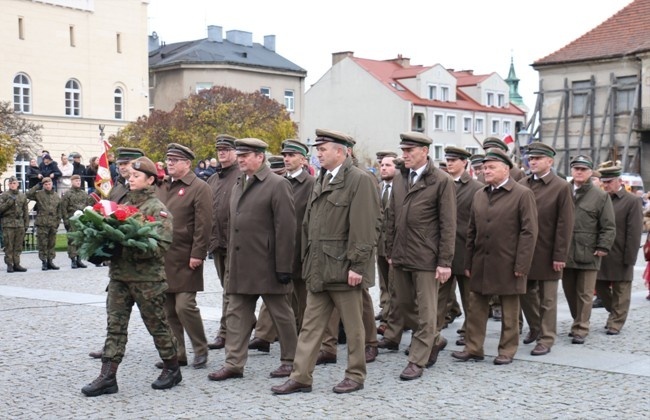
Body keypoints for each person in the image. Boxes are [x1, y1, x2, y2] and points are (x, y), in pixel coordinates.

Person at [272, 128, 380, 395]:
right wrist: (308, 261)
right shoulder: (321, 178)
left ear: (341, 152)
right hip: (320, 268)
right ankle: (301, 377)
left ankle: (355, 375)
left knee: (354, 328)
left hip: (344, 268)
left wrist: (357, 265)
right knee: (310, 327)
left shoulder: (359, 180)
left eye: (323, 149)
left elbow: (364, 228)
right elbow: (311, 225)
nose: (318, 153)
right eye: (317, 149)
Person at [81, 157, 180, 397]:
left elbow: (160, 247)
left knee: (156, 325)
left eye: (136, 176)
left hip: (147, 280)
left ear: (150, 179)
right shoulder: (120, 203)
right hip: (119, 277)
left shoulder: (158, 210)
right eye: (130, 176)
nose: (130, 179)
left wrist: (127, 242)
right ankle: (108, 376)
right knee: (115, 327)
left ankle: (172, 367)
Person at [207, 137, 298, 381]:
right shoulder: (239, 182)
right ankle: (234, 363)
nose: (240, 159)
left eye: (245, 155)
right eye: (239, 155)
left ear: (260, 157)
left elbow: (286, 229)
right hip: (240, 265)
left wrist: (284, 267)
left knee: (281, 314)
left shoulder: (277, 184)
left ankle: (291, 360)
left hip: (267, 265)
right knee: (236, 314)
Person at [378, 131, 456, 380]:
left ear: (425, 152)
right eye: (403, 151)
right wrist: (390, 250)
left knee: (425, 310)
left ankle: (417, 359)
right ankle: (434, 338)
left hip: (426, 256)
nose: (405, 155)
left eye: (409, 151)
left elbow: (448, 224)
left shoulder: (441, 181)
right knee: (403, 304)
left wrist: (444, 262)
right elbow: (391, 217)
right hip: (400, 254)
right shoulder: (401, 178)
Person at [452, 148, 538, 365]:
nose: (485, 171)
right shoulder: (480, 194)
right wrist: (469, 261)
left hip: (508, 262)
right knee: (476, 306)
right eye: (483, 168)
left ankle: (507, 350)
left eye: (491, 167)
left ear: (505, 169)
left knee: (509, 309)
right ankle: (473, 347)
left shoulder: (522, 194)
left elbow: (529, 232)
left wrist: (522, 264)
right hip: (481, 261)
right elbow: (472, 230)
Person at [248, 139, 315, 353]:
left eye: (292, 155)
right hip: (281, 249)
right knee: (275, 294)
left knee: (304, 300)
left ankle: (306, 341)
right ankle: (264, 336)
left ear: (303, 160)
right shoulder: (279, 182)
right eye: (285, 155)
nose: (287, 159)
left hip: (302, 248)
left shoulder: (311, 184)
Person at [157, 143, 212, 369]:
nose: (169, 163)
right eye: (168, 159)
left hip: (187, 256)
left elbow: (204, 224)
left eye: (175, 160)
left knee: (184, 306)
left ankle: (200, 349)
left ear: (187, 164)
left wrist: (198, 253)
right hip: (164, 256)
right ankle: (177, 353)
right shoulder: (163, 186)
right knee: (168, 309)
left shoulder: (199, 187)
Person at [87, 147, 145, 359]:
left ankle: (171, 351)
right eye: (120, 164)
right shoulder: (116, 188)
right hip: (119, 256)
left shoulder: (147, 187)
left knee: (155, 311)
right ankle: (111, 347)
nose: (122, 168)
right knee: (115, 307)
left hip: (141, 258)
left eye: (126, 164)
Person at [517, 143, 574, 356]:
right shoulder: (522, 184)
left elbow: (565, 223)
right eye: (531, 159)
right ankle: (535, 327)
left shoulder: (561, 186)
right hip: (525, 250)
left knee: (548, 299)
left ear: (550, 161)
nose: (532, 162)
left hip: (548, 251)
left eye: (538, 158)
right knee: (525, 293)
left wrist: (560, 254)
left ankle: (546, 338)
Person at [562, 155, 616, 344]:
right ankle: (578, 320)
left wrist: (603, 246)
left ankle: (581, 328)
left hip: (589, 251)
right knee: (569, 291)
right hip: (566, 251)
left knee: (585, 293)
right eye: (576, 168)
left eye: (583, 169)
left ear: (590, 172)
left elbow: (609, 225)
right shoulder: (563, 191)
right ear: (571, 171)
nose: (579, 172)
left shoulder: (600, 196)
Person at [442, 146, 483, 346]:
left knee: (470, 299)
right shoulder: (442, 184)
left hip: (465, 250)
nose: (450, 163)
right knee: (439, 298)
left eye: (454, 160)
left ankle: (471, 334)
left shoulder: (476, 188)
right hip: (444, 251)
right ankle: (430, 336)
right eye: (448, 160)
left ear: (464, 162)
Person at [595, 165, 643, 335]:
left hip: (621, 252)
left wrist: (630, 257)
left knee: (621, 290)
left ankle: (616, 322)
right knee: (599, 286)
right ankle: (614, 311)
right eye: (604, 182)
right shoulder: (600, 198)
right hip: (601, 252)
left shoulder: (631, 201)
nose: (606, 185)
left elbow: (635, 231)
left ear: (619, 181)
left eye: (609, 182)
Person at [206, 134, 241, 351]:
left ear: (235, 152)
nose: (222, 153)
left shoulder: (241, 176)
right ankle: (242, 323)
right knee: (225, 287)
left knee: (230, 289)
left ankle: (226, 332)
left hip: (236, 243)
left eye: (226, 149)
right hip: (217, 242)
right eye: (219, 149)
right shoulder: (213, 179)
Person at [376, 155, 397, 335]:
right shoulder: (380, 187)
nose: (383, 168)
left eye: (388, 165)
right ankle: (385, 311)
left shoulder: (402, 189)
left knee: (394, 284)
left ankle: (389, 321)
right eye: (382, 165)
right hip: (379, 244)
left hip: (395, 245)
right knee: (383, 282)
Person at [26, 177, 62, 270]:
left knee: (51, 243)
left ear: (52, 184)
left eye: (49, 184)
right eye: (45, 184)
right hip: (42, 222)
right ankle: (44, 261)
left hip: (53, 222)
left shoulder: (56, 196)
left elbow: (59, 210)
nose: (47, 186)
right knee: (42, 243)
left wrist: (57, 221)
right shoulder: (39, 194)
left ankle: (50, 261)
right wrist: (37, 186)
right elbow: (28, 194)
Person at [61, 174, 94, 269]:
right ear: (72, 182)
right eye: (76, 181)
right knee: (72, 241)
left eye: (79, 181)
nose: (78, 183)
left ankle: (79, 259)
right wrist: (66, 220)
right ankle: (73, 260)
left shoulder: (84, 193)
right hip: (72, 219)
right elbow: (64, 208)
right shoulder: (68, 194)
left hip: (82, 220)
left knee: (81, 240)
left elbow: (88, 206)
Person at [0, 176, 29, 272]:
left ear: (17, 184)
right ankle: (9, 264)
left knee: (18, 245)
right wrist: (9, 202)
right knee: (9, 245)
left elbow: (25, 210)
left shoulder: (22, 195)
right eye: (11, 183)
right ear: (8, 185)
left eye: (14, 183)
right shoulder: (4, 195)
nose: (12, 185)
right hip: (8, 223)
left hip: (19, 223)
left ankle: (17, 263)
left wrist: (26, 223)